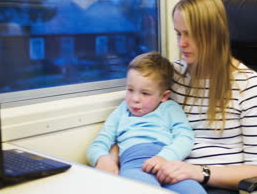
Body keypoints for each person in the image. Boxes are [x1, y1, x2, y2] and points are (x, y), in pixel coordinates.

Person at [157, 0, 257, 193]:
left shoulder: (247, 83)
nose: (181, 43)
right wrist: (110, 156)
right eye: (178, 33)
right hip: (170, 175)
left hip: (216, 185)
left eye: (190, 34)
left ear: (213, 34)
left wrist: (199, 172)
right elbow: (135, 117)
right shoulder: (172, 75)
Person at [86, 51, 206, 194]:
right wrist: (102, 158)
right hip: (134, 166)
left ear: (164, 96)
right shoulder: (122, 111)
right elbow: (100, 142)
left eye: (145, 93)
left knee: (195, 191)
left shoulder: (170, 108)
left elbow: (185, 137)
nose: (135, 99)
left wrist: (165, 157)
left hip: (168, 164)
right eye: (130, 90)